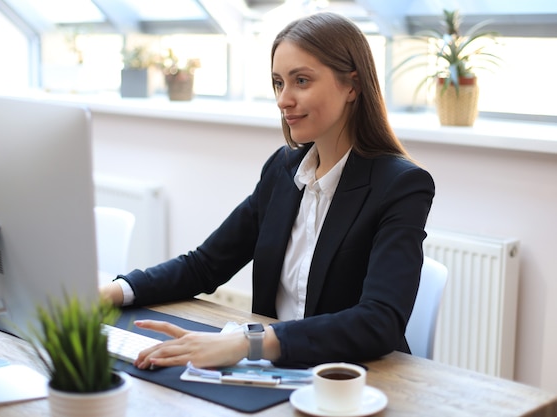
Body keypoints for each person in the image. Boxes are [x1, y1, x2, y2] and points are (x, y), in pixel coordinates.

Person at [100, 11, 435, 370]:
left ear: (352, 86)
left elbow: (378, 321)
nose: (283, 100)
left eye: (301, 81)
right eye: (278, 83)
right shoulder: (283, 169)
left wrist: (248, 344)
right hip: (275, 373)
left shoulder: (401, 185)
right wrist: (112, 292)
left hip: (350, 380)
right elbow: (205, 265)